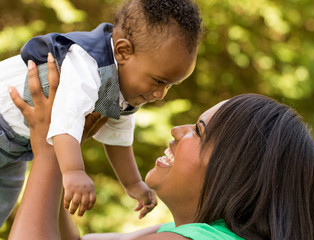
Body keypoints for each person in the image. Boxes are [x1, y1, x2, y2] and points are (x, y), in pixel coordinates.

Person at [8, 58, 314, 240]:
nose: (178, 131)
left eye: (199, 131)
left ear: (238, 169)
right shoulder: (177, 232)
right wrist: (66, 159)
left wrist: (48, 147)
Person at [0, 0, 203, 226]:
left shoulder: (126, 90)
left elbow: (119, 138)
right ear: (123, 51)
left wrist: (133, 183)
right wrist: (74, 171)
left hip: (17, 149)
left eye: (170, 86)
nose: (161, 94)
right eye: (158, 81)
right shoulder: (87, 63)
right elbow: (66, 120)